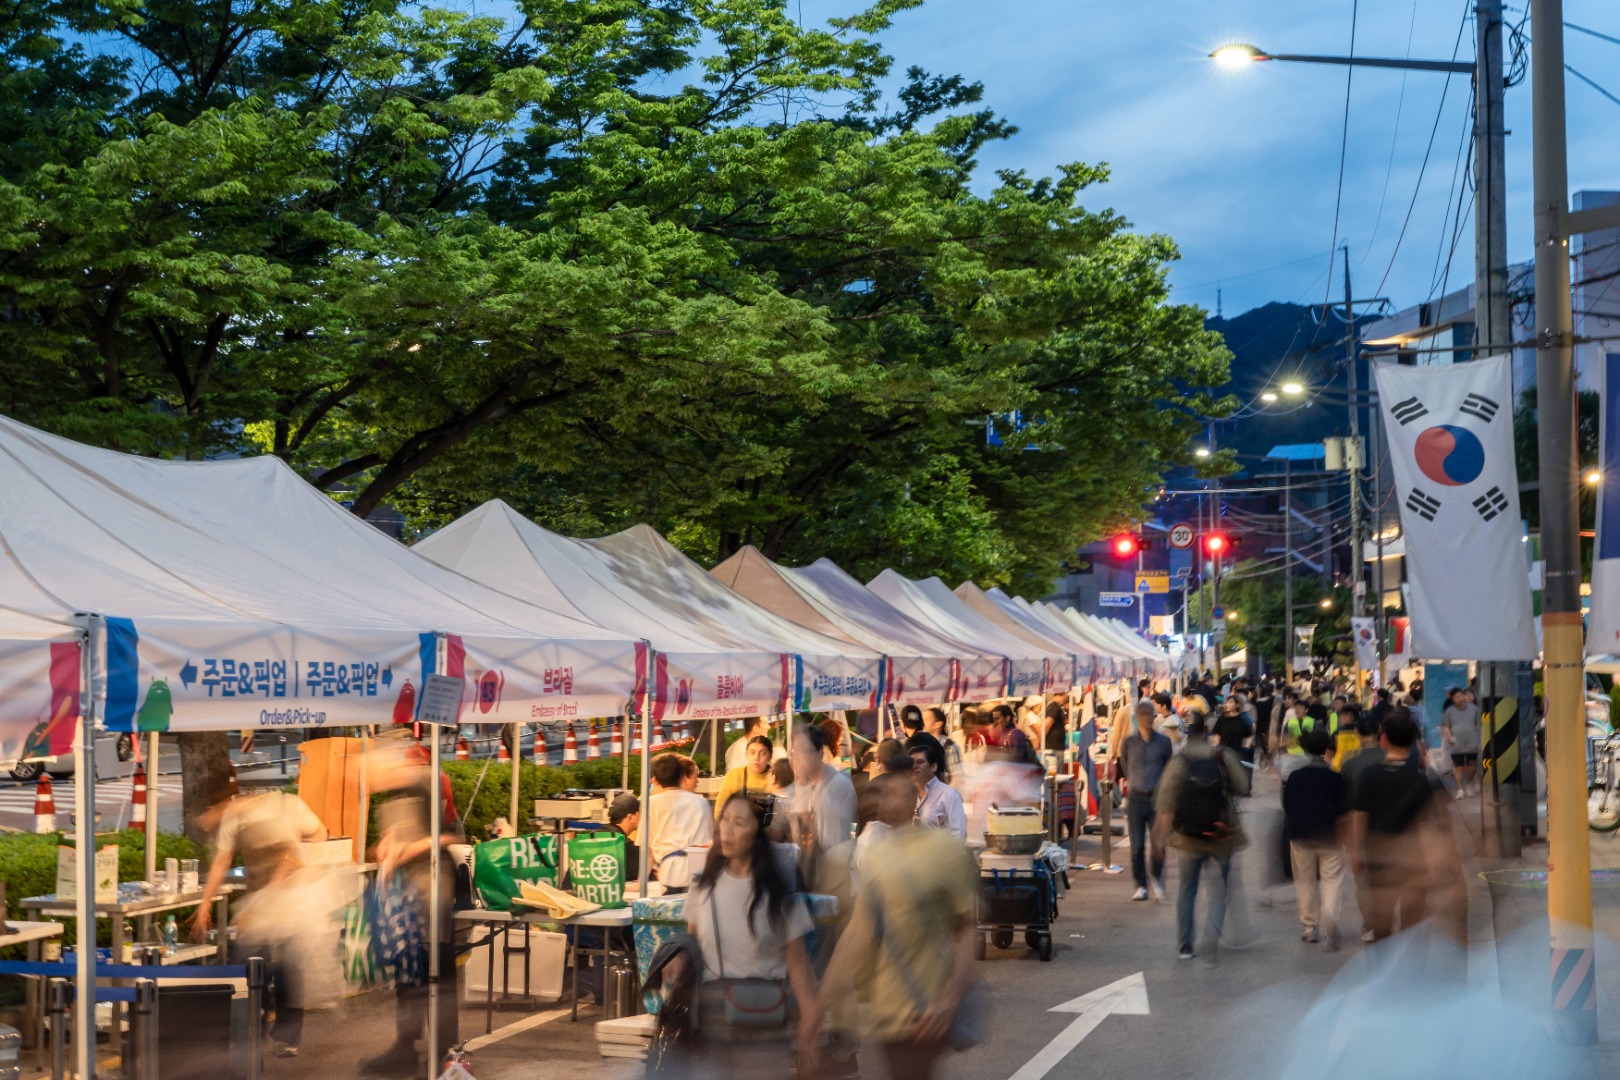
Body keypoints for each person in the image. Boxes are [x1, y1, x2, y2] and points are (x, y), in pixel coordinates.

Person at [819, 773, 979, 1080]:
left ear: (914, 800)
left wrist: (950, 996)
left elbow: (966, 930)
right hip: (887, 1009)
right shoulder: (875, 856)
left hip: (927, 1007)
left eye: (898, 794)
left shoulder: (943, 850)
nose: (889, 801)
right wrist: (819, 1005)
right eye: (884, 795)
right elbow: (858, 932)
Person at [671, 794, 819, 1080]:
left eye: (739, 822)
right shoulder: (703, 889)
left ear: (759, 833)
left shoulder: (780, 897)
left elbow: (799, 964)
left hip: (766, 1018)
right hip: (712, 1017)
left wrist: (810, 1022)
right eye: (724, 820)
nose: (726, 830)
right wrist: (678, 958)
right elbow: (692, 943)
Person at [191, 784, 329, 1058]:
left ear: (217, 806)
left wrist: (308, 862)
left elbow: (319, 832)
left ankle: (288, 1037)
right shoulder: (234, 818)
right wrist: (204, 903)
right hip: (259, 898)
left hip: (292, 897)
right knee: (249, 966)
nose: (207, 822)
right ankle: (250, 1030)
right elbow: (221, 861)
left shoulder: (285, 805)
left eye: (208, 814)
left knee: (288, 968)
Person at [361, 733, 464, 1074]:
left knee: (438, 974)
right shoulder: (393, 793)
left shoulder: (427, 783)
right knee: (408, 975)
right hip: (404, 896)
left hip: (433, 889)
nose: (370, 781)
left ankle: (446, 1053)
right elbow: (399, 832)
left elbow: (451, 836)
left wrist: (406, 852)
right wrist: (386, 846)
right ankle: (404, 1048)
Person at [1346, 708, 1465, 941]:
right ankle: (1411, 972)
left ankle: (1385, 970)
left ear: (1384, 740)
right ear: (1412, 741)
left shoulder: (1370, 775)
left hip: (1377, 859)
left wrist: (1356, 854)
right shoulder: (1420, 779)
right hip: (1413, 862)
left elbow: (1358, 818)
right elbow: (1430, 826)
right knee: (1413, 925)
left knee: (1382, 926)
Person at [1151, 711, 1249, 964]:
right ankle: (1211, 939)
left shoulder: (1179, 760)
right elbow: (1243, 786)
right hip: (1221, 835)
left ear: (1187, 732)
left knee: (1187, 890)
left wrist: (1158, 839)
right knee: (1219, 891)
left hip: (1187, 838)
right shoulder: (1222, 756)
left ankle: (1185, 946)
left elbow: (1164, 801)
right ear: (1207, 731)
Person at [1282, 727, 1349, 950]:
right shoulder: (1335, 777)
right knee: (1332, 881)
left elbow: (1287, 805)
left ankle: (1309, 927)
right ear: (1327, 749)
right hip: (1330, 836)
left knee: (1305, 881)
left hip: (1301, 835)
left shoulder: (1295, 777)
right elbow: (1343, 809)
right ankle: (1330, 925)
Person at [785, 724, 858, 890]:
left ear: (820, 753)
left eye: (805, 751)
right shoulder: (803, 788)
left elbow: (831, 842)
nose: (798, 758)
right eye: (795, 752)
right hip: (810, 877)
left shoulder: (837, 786)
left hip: (834, 879)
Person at [1114, 701, 1172, 902]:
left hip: (1156, 799)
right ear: (1137, 717)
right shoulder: (1129, 742)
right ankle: (1140, 885)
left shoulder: (1164, 742)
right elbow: (1124, 763)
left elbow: (1168, 768)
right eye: (1145, 714)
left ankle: (1156, 880)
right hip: (1136, 798)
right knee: (1136, 845)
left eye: (1152, 714)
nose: (1149, 717)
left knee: (1158, 843)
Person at [646, 752, 715, 892]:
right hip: (699, 871)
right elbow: (711, 841)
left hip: (668, 872)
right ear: (682, 777)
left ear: (655, 780)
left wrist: (641, 881)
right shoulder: (701, 802)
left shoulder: (650, 804)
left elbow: (647, 849)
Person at [907, 734, 966, 839]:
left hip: (940, 854)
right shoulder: (907, 794)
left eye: (920, 762)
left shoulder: (949, 795)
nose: (914, 766)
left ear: (933, 767)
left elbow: (959, 836)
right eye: (911, 762)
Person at [714, 736, 777, 818]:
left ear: (770, 756)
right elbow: (720, 808)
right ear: (746, 754)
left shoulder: (777, 776)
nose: (756, 758)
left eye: (762, 753)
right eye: (752, 753)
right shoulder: (734, 775)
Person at [1442, 687, 1483, 798]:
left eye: (1461, 696)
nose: (1460, 698)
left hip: (1472, 743)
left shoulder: (1474, 709)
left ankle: (1468, 783)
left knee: (1473, 767)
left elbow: (1479, 724)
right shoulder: (1449, 711)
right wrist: (1449, 737)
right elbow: (1446, 725)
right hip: (1456, 744)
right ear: (1453, 699)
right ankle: (1460, 790)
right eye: (1457, 697)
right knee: (1458, 767)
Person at [608, 793, 642, 881]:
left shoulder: (593, 835)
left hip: (570, 892)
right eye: (640, 813)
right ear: (630, 817)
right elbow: (647, 873)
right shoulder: (625, 846)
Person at [924, 707, 964, 780]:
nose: (923, 722)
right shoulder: (920, 743)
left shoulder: (950, 747)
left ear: (938, 724)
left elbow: (956, 777)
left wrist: (945, 791)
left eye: (927, 719)